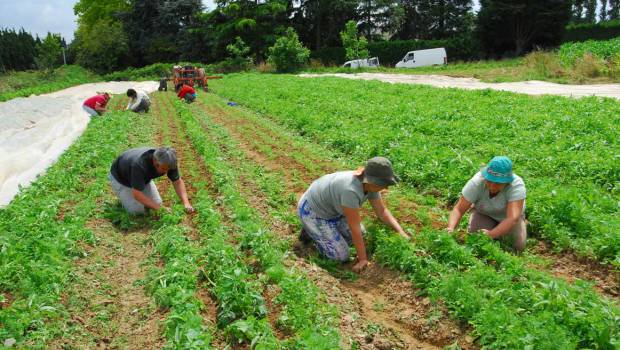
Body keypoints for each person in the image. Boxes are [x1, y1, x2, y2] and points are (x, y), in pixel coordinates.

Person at [297, 157, 410, 273]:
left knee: (361, 235)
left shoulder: (369, 186)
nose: (385, 187)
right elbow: (354, 226)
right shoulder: (351, 190)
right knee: (340, 256)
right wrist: (363, 259)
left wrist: (400, 231)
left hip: (334, 211)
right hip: (313, 212)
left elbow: (381, 211)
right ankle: (310, 231)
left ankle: (323, 231)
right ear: (371, 181)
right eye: (383, 184)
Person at [446, 156, 527, 252]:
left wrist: (491, 234)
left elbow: (512, 218)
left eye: (497, 183)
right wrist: (451, 228)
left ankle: (520, 223)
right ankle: (494, 229)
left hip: (508, 218)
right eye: (489, 181)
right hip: (484, 213)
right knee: (476, 238)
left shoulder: (516, 186)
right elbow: (459, 209)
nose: (492, 186)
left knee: (517, 247)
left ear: (507, 181)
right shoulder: (477, 182)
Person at [108, 146, 194, 215]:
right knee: (137, 211)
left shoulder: (169, 161)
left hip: (142, 178)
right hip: (121, 179)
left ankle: (139, 185)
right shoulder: (139, 165)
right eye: (164, 169)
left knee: (157, 203)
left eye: (168, 169)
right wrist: (161, 209)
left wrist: (186, 203)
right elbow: (137, 194)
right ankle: (124, 199)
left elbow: (177, 182)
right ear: (155, 163)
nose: (167, 172)